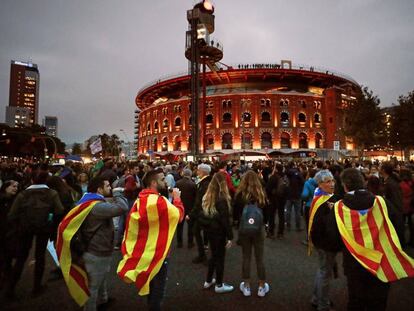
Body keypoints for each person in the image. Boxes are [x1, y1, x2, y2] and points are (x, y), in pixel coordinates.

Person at [330, 168, 414, 310]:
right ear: (364, 182)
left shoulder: (338, 208)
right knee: (379, 301)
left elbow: (332, 236)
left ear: (344, 185)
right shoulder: (382, 202)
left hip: (354, 261)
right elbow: (398, 227)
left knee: (356, 300)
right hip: (382, 259)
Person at [56, 176, 129, 311]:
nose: (110, 188)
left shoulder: (87, 202)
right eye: (107, 186)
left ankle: (103, 300)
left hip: (95, 249)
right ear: (99, 189)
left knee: (100, 279)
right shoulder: (96, 206)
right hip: (97, 251)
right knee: (93, 285)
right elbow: (122, 207)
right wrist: (118, 193)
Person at [117, 168, 184, 311]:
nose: (165, 182)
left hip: (146, 253)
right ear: (153, 183)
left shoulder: (140, 200)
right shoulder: (160, 201)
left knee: (151, 286)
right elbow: (178, 216)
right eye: (161, 180)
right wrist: (177, 199)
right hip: (159, 254)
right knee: (158, 291)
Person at [6, 171, 64, 298]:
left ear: (31, 180)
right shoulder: (52, 193)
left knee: (21, 258)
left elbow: (12, 214)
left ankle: (10, 289)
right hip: (44, 229)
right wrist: (49, 217)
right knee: (40, 256)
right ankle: (36, 287)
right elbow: (59, 210)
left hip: (25, 229)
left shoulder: (23, 194)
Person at [234, 171, 270, 297]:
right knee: (259, 258)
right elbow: (267, 214)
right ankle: (261, 286)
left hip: (244, 229)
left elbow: (235, 213)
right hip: (258, 229)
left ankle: (247, 286)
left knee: (246, 257)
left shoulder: (240, 195)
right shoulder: (261, 194)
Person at [308, 170, 339, 311]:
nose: (332, 184)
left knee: (322, 271)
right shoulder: (323, 201)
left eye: (332, 180)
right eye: (327, 181)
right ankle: (323, 304)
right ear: (320, 184)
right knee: (325, 274)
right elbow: (322, 225)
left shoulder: (325, 197)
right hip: (325, 243)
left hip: (323, 242)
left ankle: (316, 298)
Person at [198, 172, 234, 294]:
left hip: (209, 231)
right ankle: (219, 284)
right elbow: (225, 220)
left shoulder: (207, 196)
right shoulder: (222, 199)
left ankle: (208, 280)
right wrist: (230, 236)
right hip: (219, 232)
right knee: (220, 258)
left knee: (214, 256)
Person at [189, 163, 212, 264]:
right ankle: (204, 255)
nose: (197, 172)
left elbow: (199, 201)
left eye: (198, 170)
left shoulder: (204, 184)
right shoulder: (207, 182)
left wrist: (191, 214)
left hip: (204, 213)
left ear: (202, 172)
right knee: (200, 231)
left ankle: (204, 256)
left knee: (199, 231)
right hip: (205, 212)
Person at [0, 180, 19, 289]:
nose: (15, 188)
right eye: (13, 186)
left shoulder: (14, 200)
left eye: (16, 186)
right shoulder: (3, 200)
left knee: (7, 255)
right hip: (3, 233)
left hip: (9, 233)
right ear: (5, 187)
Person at [175, 168, 197, 248]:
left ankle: (179, 243)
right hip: (190, 207)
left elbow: (175, 196)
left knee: (179, 226)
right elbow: (195, 197)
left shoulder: (177, 183)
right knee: (190, 226)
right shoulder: (193, 184)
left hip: (180, 206)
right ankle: (190, 242)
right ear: (190, 175)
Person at [265, 163, 288, 239]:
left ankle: (271, 232)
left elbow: (267, 188)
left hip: (273, 198)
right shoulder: (285, 177)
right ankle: (280, 233)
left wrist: (268, 197)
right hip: (282, 199)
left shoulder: (273, 177)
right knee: (281, 215)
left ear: (276, 169)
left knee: (272, 215)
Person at [285, 162, 305, 231]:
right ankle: (298, 226)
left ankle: (288, 226)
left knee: (288, 211)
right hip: (297, 195)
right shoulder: (298, 173)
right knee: (297, 212)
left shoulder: (287, 173)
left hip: (288, 195)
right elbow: (303, 183)